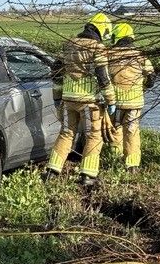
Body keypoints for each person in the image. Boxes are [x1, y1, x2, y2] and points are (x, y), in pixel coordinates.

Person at [45, 13, 116, 186]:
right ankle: (88, 176)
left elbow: (56, 72)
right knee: (93, 136)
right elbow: (103, 76)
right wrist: (111, 100)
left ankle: (52, 172)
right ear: (102, 29)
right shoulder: (97, 47)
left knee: (66, 133)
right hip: (89, 101)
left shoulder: (69, 44)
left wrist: (56, 98)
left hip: (68, 100)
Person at [108, 22, 155, 172]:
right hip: (135, 102)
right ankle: (132, 164)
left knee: (116, 129)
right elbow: (152, 77)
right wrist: (144, 87)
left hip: (115, 101)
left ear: (116, 37)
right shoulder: (140, 55)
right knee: (132, 131)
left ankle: (115, 158)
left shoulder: (109, 54)